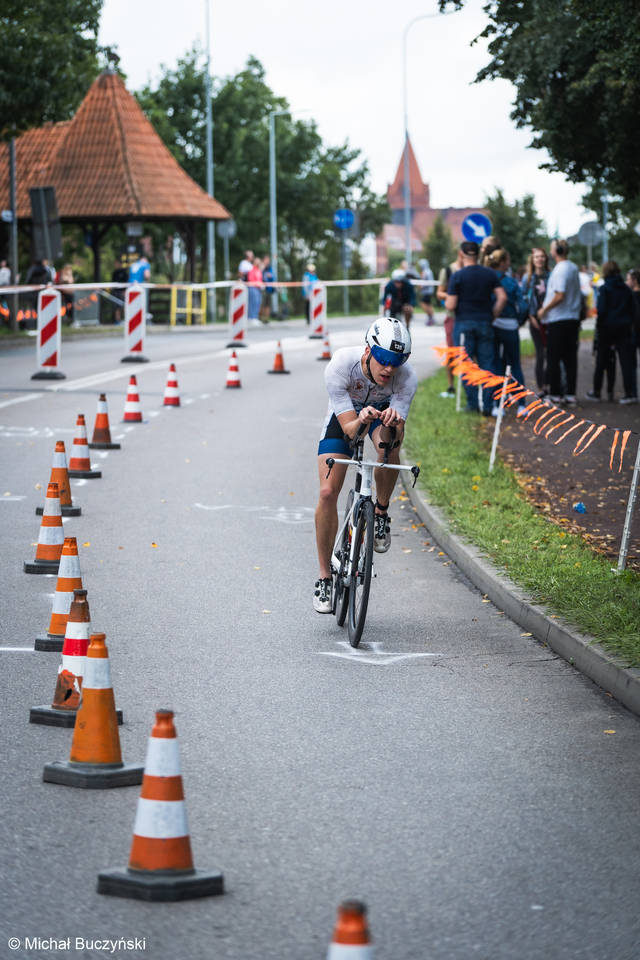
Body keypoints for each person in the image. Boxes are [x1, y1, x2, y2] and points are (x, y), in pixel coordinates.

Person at [313, 317, 417, 613]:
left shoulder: (406, 378)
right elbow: (348, 429)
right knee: (327, 493)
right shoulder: (341, 365)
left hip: (380, 415)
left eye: (398, 361)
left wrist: (393, 426)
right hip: (346, 417)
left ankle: (381, 512)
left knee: (389, 446)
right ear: (369, 351)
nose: (389, 368)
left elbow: (399, 434)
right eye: (383, 359)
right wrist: (361, 418)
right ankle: (323, 578)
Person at [445, 241, 506, 414]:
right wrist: (492, 314)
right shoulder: (489, 274)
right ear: (479, 254)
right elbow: (502, 297)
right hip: (485, 323)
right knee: (488, 364)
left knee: (466, 364)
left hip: (464, 323)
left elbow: (450, 305)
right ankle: (488, 405)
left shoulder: (458, 276)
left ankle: (473, 404)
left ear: (461, 254)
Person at [537, 239, 582, 405]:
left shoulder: (561, 269)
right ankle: (570, 394)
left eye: (551, 248)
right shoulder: (573, 267)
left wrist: (544, 310)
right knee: (570, 358)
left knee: (554, 357)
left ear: (557, 250)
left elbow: (559, 295)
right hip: (571, 318)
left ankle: (556, 393)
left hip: (558, 319)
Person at [586, 261, 637, 404]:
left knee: (601, 361)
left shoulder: (605, 288)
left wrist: (600, 327)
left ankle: (597, 391)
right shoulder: (626, 290)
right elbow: (632, 310)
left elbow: (601, 311)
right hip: (623, 328)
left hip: (606, 329)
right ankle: (629, 393)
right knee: (625, 362)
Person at [487, 248, 527, 416]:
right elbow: (523, 305)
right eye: (508, 260)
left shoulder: (488, 279)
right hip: (511, 326)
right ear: (503, 262)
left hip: (494, 325)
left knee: (495, 365)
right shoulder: (511, 282)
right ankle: (522, 405)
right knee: (515, 364)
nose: (509, 263)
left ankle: (497, 405)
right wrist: (519, 321)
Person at [520, 247, 551, 394]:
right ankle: (541, 388)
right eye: (536, 257)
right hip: (535, 320)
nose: (539, 259)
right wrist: (531, 317)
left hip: (550, 319)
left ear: (546, 259)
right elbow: (523, 299)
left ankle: (549, 384)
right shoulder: (528, 278)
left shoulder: (551, 276)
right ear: (532, 260)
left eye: (542, 257)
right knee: (540, 354)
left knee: (550, 354)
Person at [436, 250, 463, 397]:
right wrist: (452, 296)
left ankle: (470, 386)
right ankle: (451, 386)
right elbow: (439, 292)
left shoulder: (472, 269)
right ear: (460, 254)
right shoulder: (447, 270)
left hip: (468, 316)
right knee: (451, 352)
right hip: (452, 316)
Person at [111, 257, 129, 324]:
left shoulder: (124, 273)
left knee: (124, 306)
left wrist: (125, 291)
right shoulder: (114, 273)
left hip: (122, 292)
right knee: (116, 307)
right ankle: (117, 321)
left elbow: (127, 282)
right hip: (116, 292)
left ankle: (126, 319)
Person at [247, 257, 264, 327]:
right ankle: (251, 318)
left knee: (257, 303)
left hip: (258, 288)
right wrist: (258, 284)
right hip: (253, 288)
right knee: (253, 303)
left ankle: (255, 317)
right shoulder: (252, 269)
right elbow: (250, 279)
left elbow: (259, 279)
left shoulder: (258, 270)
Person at [418, 258, 435, 325]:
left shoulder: (425, 272)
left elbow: (423, 283)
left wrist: (419, 287)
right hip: (429, 291)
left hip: (427, 291)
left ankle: (431, 318)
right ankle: (431, 318)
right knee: (429, 305)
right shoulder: (429, 271)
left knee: (423, 304)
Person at [261, 255, 275, 321]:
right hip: (261, 288)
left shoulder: (270, 268)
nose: (267, 261)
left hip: (268, 289)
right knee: (262, 304)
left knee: (267, 304)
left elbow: (273, 277)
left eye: (268, 260)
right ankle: (261, 317)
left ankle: (266, 318)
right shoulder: (261, 267)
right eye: (266, 260)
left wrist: (271, 276)